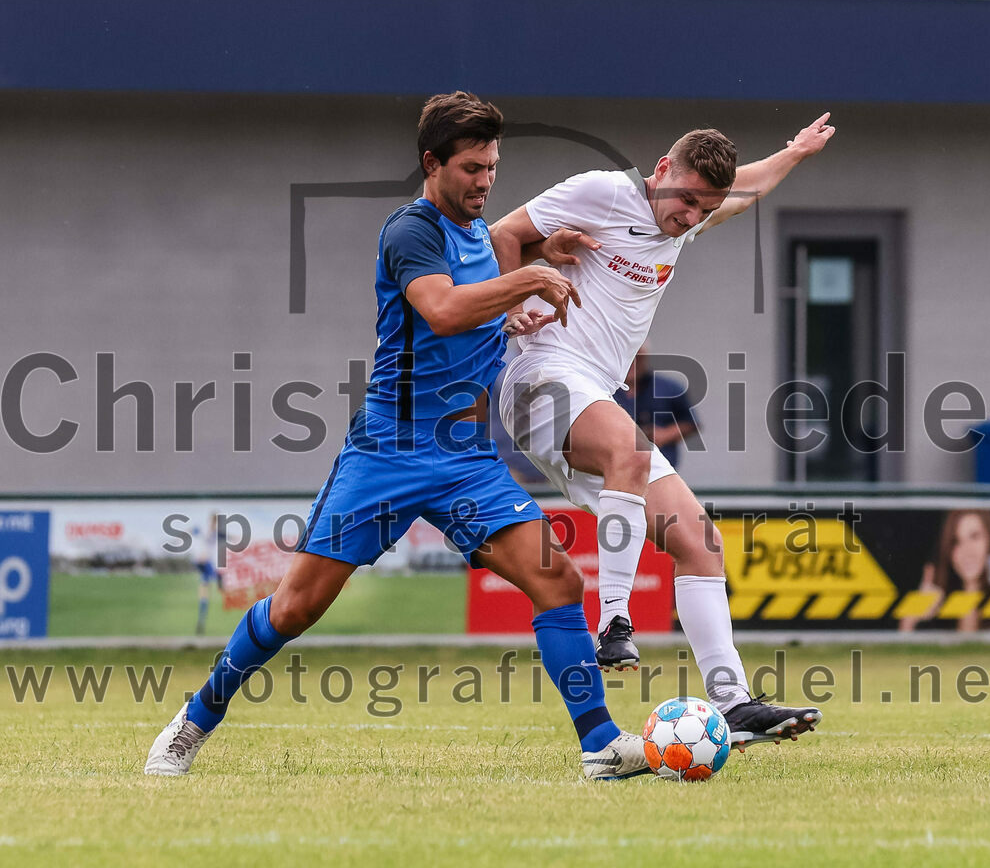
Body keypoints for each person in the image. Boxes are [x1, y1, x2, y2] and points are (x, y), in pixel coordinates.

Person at [145, 91, 649, 781]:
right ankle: (194, 721)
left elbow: (467, 318)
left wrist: (510, 315)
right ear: (431, 163)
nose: (485, 181)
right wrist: (526, 278)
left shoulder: (479, 234)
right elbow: (440, 311)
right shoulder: (411, 230)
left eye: (493, 167)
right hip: (390, 451)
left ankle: (599, 745)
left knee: (557, 580)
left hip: (468, 459)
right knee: (295, 607)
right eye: (472, 168)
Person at [491, 115, 835, 750]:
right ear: (659, 172)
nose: (688, 216)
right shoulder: (601, 191)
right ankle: (616, 620)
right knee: (625, 445)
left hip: (594, 394)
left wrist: (794, 152)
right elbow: (502, 234)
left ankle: (731, 703)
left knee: (700, 542)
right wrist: (513, 303)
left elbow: (749, 185)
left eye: (702, 208)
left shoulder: (690, 217)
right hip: (540, 378)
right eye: (684, 200)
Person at [899, 509, 990, 633]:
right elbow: (903, 651)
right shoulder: (939, 605)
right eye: (956, 541)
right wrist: (910, 619)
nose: (967, 551)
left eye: (975, 537)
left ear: (989, 539)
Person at [614, 344, 699, 469]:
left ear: (646, 358)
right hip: (614, 466)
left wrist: (664, 434)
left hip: (658, 468)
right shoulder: (602, 389)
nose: (632, 363)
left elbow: (689, 423)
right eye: (628, 358)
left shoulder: (669, 388)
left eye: (638, 358)